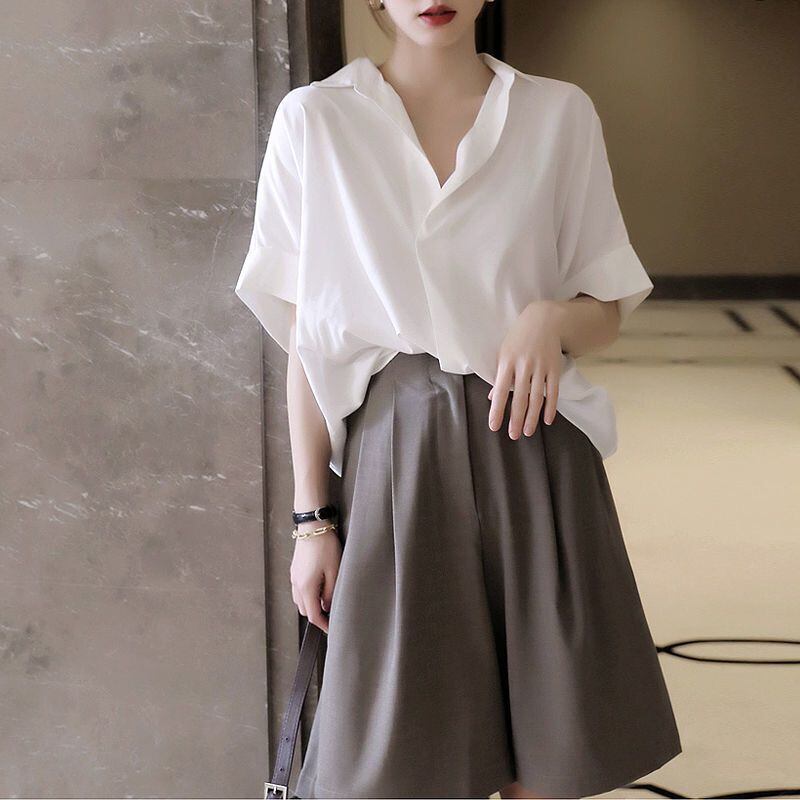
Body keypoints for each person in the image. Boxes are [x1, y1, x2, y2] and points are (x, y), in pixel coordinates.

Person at [235, 1, 683, 797]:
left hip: (537, 448)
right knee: (404, 761)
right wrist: (313, 521)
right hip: (395, 462)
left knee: (547, 757)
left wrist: (551, 318)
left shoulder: (558, 115)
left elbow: (606, 305)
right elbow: (307, 341)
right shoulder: (316, 120)